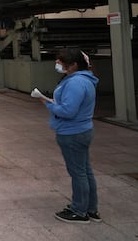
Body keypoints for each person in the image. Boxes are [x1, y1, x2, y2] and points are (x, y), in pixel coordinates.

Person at [38, 48, 100, 224]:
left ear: (73, 64)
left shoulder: (76, 83)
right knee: (85, 171)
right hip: (82, 130)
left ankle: (79, 211)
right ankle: (91, 209)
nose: (58, 65)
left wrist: (46, 103)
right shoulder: (83, 79)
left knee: (78, 173)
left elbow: (68, 111)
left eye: (62, 62)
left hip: (72, 133)